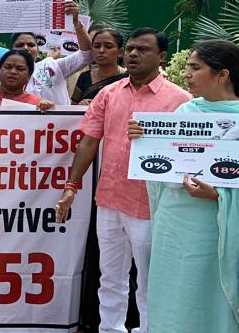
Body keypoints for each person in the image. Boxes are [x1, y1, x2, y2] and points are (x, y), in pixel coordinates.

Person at [54, 28, 191, 333]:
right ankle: (110, 329)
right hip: (109, 201)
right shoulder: (109, 94)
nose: (132, 54)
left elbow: (187, 153)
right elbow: (89, 142)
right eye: (129, 49)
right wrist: (71, 187)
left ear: (162, 57)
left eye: (142, 49)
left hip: (151, 206)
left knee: (149, 280)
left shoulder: (181, 101)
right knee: (111, 276)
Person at [125, 40, 239, 332]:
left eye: (195, 67)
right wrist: (143, 138)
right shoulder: (185, 112)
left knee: (213, 293)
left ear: (222, 75)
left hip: (217, 229)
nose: (186, 74)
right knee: (176, 290)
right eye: (187, 66)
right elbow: (162, 164)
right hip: (175, 224)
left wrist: (219, 194)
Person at [0, 1, 93, 105]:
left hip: (55, 122)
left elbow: (87, 55)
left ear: (38, 51)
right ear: (11, 51)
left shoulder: (53, 66)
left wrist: (76, 22)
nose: (25, 48)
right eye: (20, 45)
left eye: (31, 45)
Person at [72, 27, 127, 104]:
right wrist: (80, 105)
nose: (101, 50)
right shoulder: (84, 77)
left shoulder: (128, 78)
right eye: (97, 46)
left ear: (120, 52)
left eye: (108, 46)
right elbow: (72, 107)